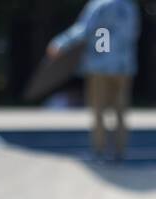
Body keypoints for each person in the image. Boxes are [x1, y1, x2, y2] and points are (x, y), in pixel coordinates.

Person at [47, 0, 140, 162]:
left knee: (99, 110)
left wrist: (59, 43)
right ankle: (119, 152)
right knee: (120, 110)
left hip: (100, 65)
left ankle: (99, 151)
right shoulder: (129, 6)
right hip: (123, 66)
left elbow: (84, 29)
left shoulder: (99, 4)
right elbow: (133, 33)